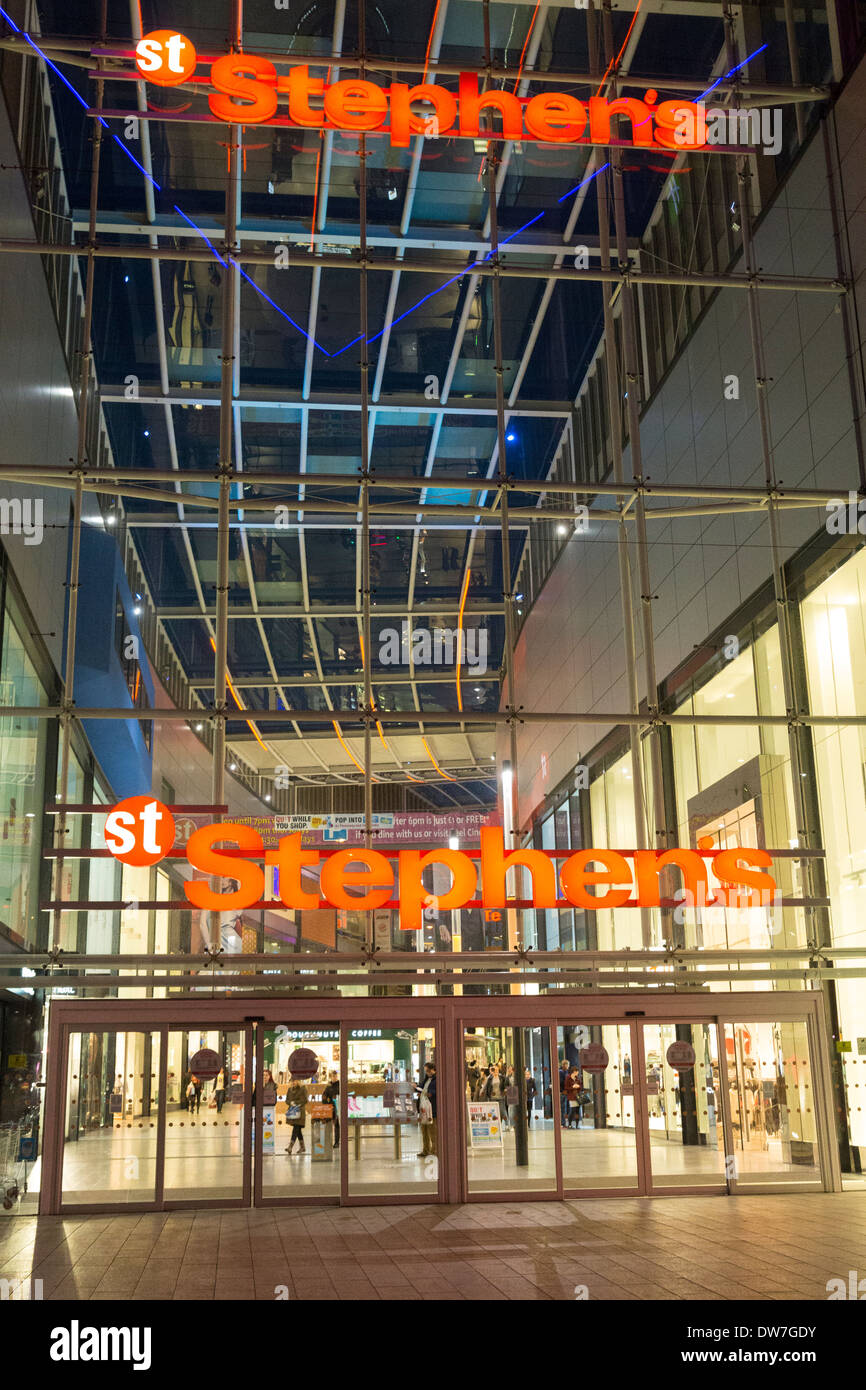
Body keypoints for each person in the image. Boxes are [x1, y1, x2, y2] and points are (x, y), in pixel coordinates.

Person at [415, 1062, 438, 1158]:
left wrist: (428, 1093)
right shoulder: (426, 1079)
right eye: (426, 1071)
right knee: (424, 1131)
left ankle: (434, 1150)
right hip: (423, 1108)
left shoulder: (437, 1080)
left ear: (434, 1070)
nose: (427, 1073)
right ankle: (425, 1150)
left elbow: (436, 1091)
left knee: (432, 1131)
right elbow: (421, 1087)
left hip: (431, 1109)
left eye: (429, 1071)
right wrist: (416, 1087)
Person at [285, 1076, 309, 1154]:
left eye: (295, 1080)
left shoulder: (303, 1088)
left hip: (300, 1112)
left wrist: (296, 1103)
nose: (293, 1082)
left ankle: (290, 1147)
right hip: (292, 1112)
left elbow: (305, 1100)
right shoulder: (290, 1089)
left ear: (298, 1081)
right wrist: (290, 1103)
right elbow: (287, 1100)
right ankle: (302, 1147)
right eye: (292, 1081)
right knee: (297, 1130)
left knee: (296, 1128)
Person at [485, 1064, 507, 1130]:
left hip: (501, 1097)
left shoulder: (502, 1077)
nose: (496, 1071)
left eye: (497, 1070)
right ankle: (497, 1125)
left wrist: (505, 1089)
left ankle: (507, 1124)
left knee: (502, 1111)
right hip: (493, 1098)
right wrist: (487, 1095)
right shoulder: (490, 1078)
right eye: (494, 1070)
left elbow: (506, 1084)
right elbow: (487, 1087)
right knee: (494, 1112)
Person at [322, 1068, 340, 1148]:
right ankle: (328, 1142)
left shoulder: (340, 1085)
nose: (334, 1078)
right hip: (330, 1108)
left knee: (336, 1125)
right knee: (328, 1126)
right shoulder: (328, 1086)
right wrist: (327, 1104)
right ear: (331, 1077)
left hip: (338, 1108)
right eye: (333, 1076)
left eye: (335, 1076)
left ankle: (336, 1142)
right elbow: (324, 1097)